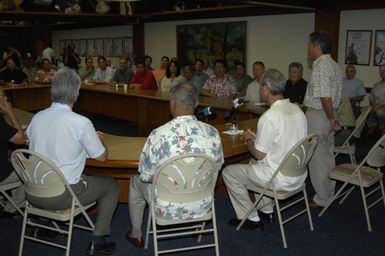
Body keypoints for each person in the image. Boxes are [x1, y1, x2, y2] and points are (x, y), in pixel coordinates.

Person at [26, 67, 119, 256]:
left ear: (52, 90)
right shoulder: (80, 122)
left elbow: (44, 147)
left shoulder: (36, 117)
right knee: (111, 185)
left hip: (33, 192)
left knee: (52, 170)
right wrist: (97, 139)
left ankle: (45, 227)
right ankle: (98, 241)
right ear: (77, 92)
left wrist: (83, 142)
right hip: (62, 195)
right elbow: (101, 157)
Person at [126, 82, 224, 248]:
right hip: (202, 202)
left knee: (135, 182)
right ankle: (196, 227)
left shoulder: (159, 134)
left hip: (165, 203)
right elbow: (217, 167)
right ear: (197, 103)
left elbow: (146, 175)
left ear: (172, 102)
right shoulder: (213, 133)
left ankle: (136, 234)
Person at [222, 68, 307, 229]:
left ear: (266, 89)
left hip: (279, 178)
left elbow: (260, 155)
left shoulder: (269, 116)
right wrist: (257, 139)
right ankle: (267, 211)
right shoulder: (297, 110)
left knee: (228, 172)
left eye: (261, 86)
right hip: (298, 175)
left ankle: (251, 218)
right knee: (253, 164)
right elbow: (285, 140)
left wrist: (247, 140)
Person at [304, 31, 342, 208]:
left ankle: (322, 198)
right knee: (327, 156)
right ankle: (329, 192)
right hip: (327, 114)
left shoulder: (321, 66)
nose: (308, 49)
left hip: (320, 115)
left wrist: (331, 118)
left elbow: (325, 97)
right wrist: (332, 117)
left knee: (318, 158)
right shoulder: (333, 64)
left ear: (317, 47)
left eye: (309, 45)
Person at [0, 88, 26, 217]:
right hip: (2, 174)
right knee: (32, 174)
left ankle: (13, 202)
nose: (6, 99)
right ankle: (11, 208)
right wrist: (10, 112)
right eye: (3, 96)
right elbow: (21, 140)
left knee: (16, 163)